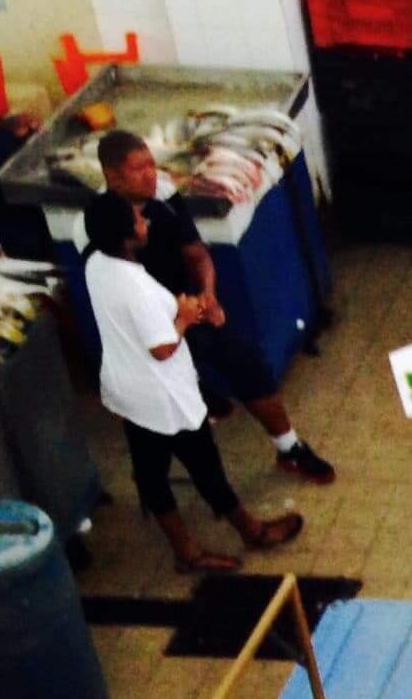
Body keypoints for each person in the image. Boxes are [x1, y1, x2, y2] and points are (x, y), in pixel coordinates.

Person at [80, 193, 302, 573]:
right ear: (125, 236)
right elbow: (163, 348)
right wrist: (185, 315)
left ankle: (185, 549)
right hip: (164, 398)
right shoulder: (138, 289)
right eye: (137, 219)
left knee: (150, 472)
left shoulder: (96, 265)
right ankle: (250, 531)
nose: (144, 221)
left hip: (128, 390)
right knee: (206, 468)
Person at [97, 133, 335, 485]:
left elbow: (197, 254)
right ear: (112, 176)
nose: (151, 174)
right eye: (138, 169)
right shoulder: (97, 223)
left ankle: (290, 448)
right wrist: (172, 319)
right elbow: (112, 294)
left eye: (151, 164)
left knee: (248, 364)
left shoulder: (163, 195)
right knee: (174, 427)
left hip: (193, 309)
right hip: (151, 332)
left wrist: (209, 296)